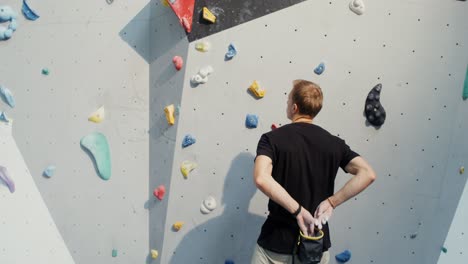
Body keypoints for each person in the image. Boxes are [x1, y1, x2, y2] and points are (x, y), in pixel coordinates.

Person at [251, 80, 377, 264]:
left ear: (294, 107)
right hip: (315, 247)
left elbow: (262, 178)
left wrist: (298, 211)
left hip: (276, 244)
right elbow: (368, 173)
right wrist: (332, 202)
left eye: (287, 100)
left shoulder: (272, 139)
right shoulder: (335, 144)